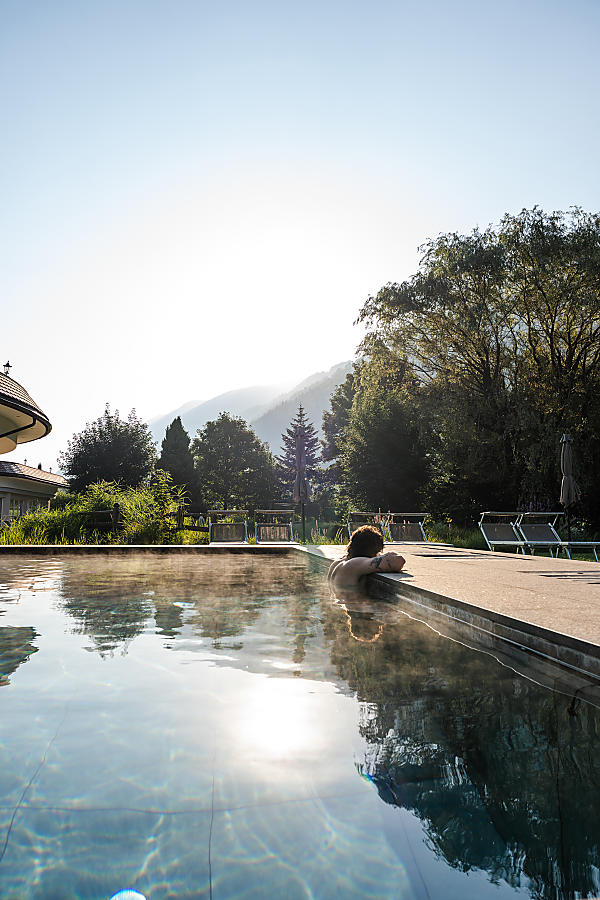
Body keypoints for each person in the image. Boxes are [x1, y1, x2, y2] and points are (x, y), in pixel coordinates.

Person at [328, 525, 406, 588]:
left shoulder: (337, 563)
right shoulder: (354, 564)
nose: (378, 555)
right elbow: (398, 561)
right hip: (351, 603)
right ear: (373, 551)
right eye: (378, 552)